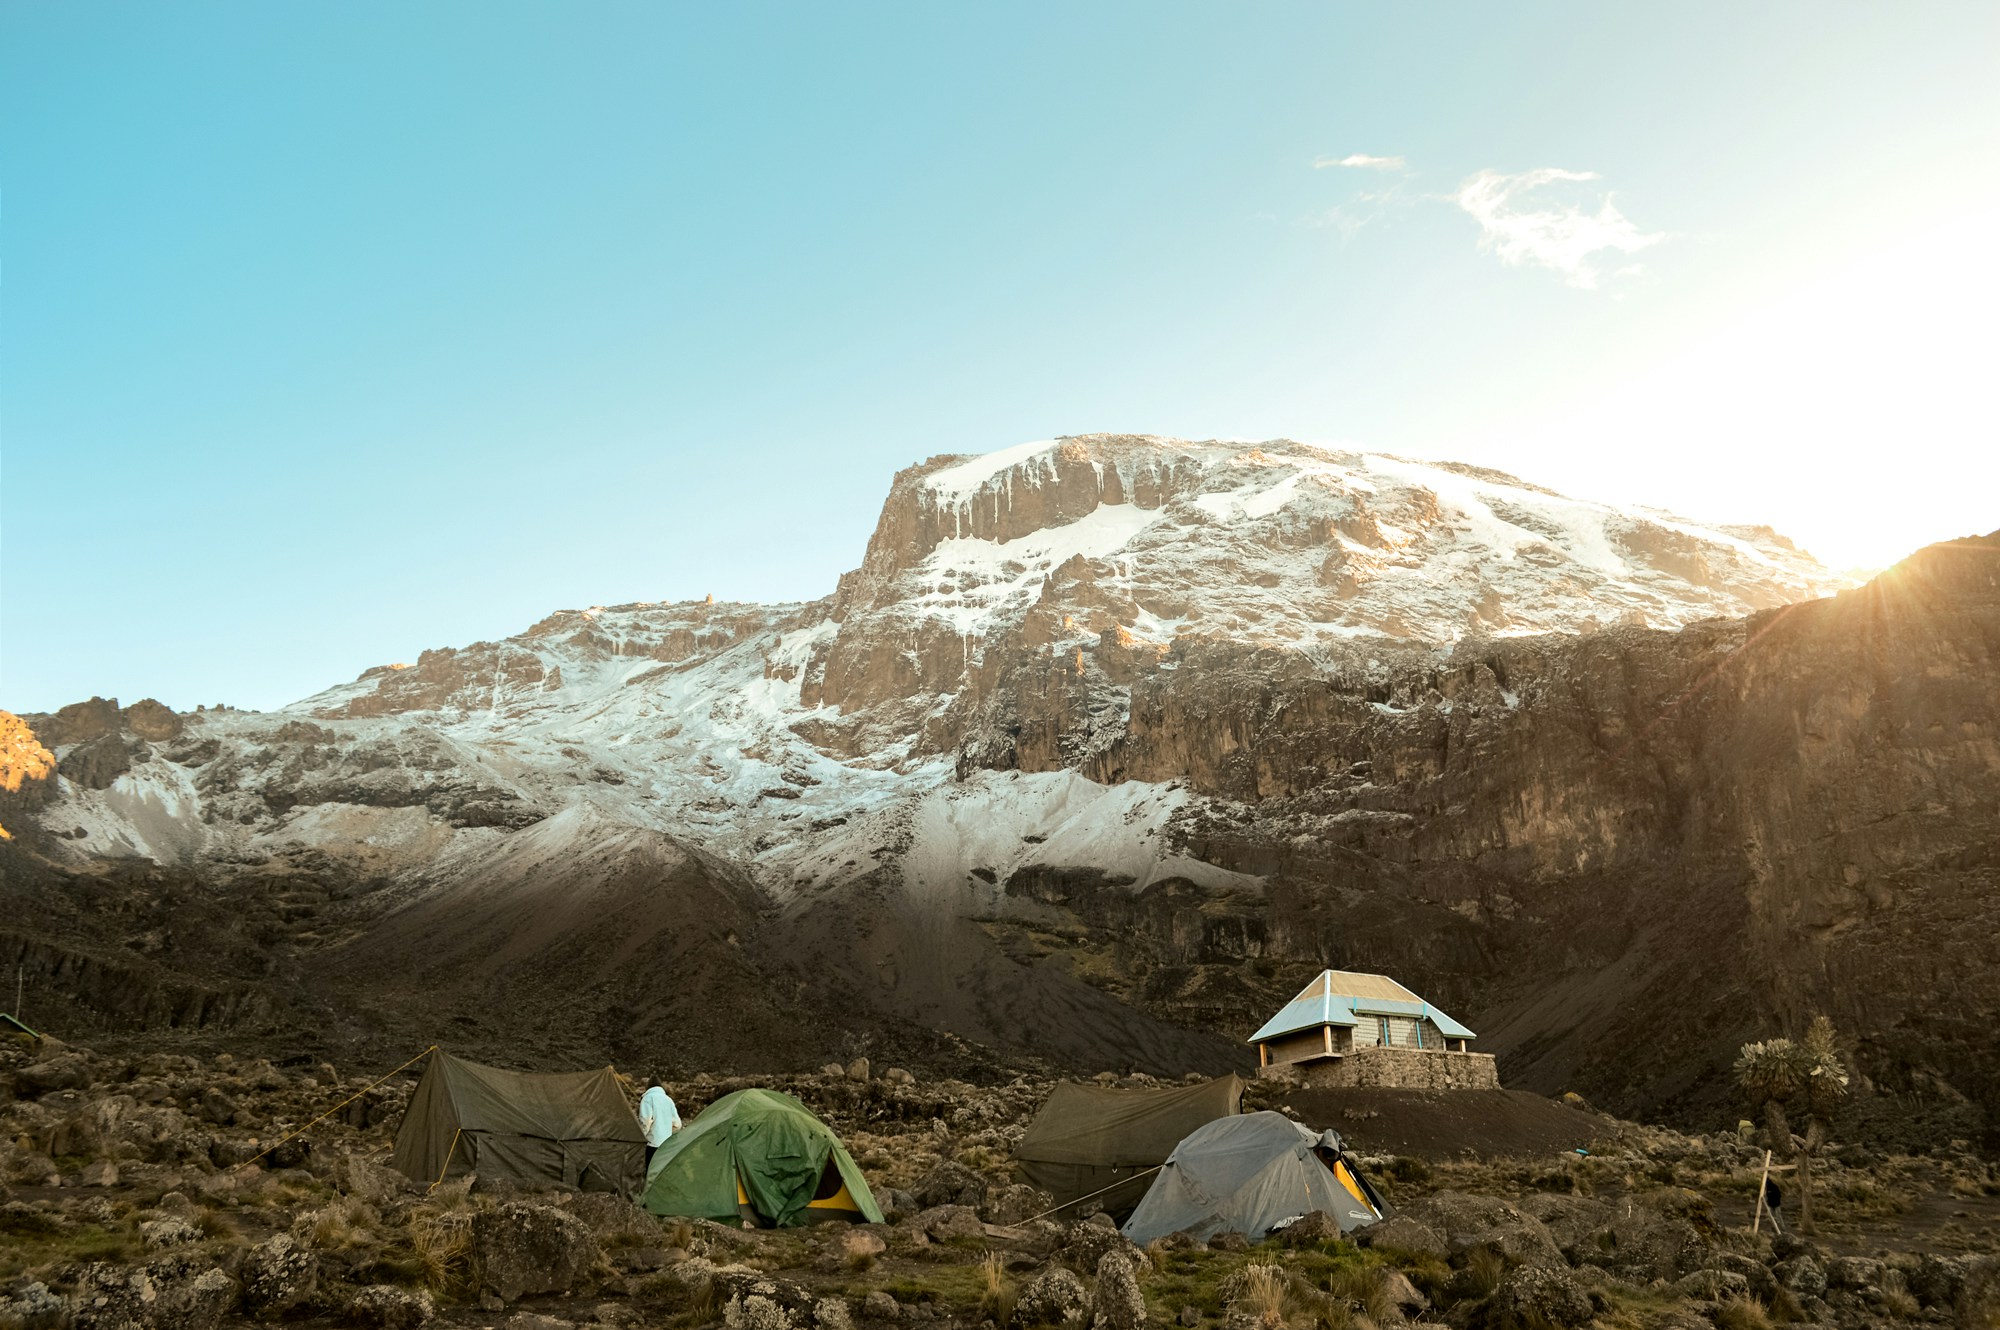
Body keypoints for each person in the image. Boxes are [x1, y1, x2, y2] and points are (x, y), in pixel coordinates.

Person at [639, 1082, 682, 1171]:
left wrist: (641, 1137)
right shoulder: (669, 1100)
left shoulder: (647, 1098)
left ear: (648, 1087)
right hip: (666, 1144)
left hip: (652, 1144)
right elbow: (677, 1124)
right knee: (662, 1172)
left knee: (651, 1171)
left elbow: (646, 1122)